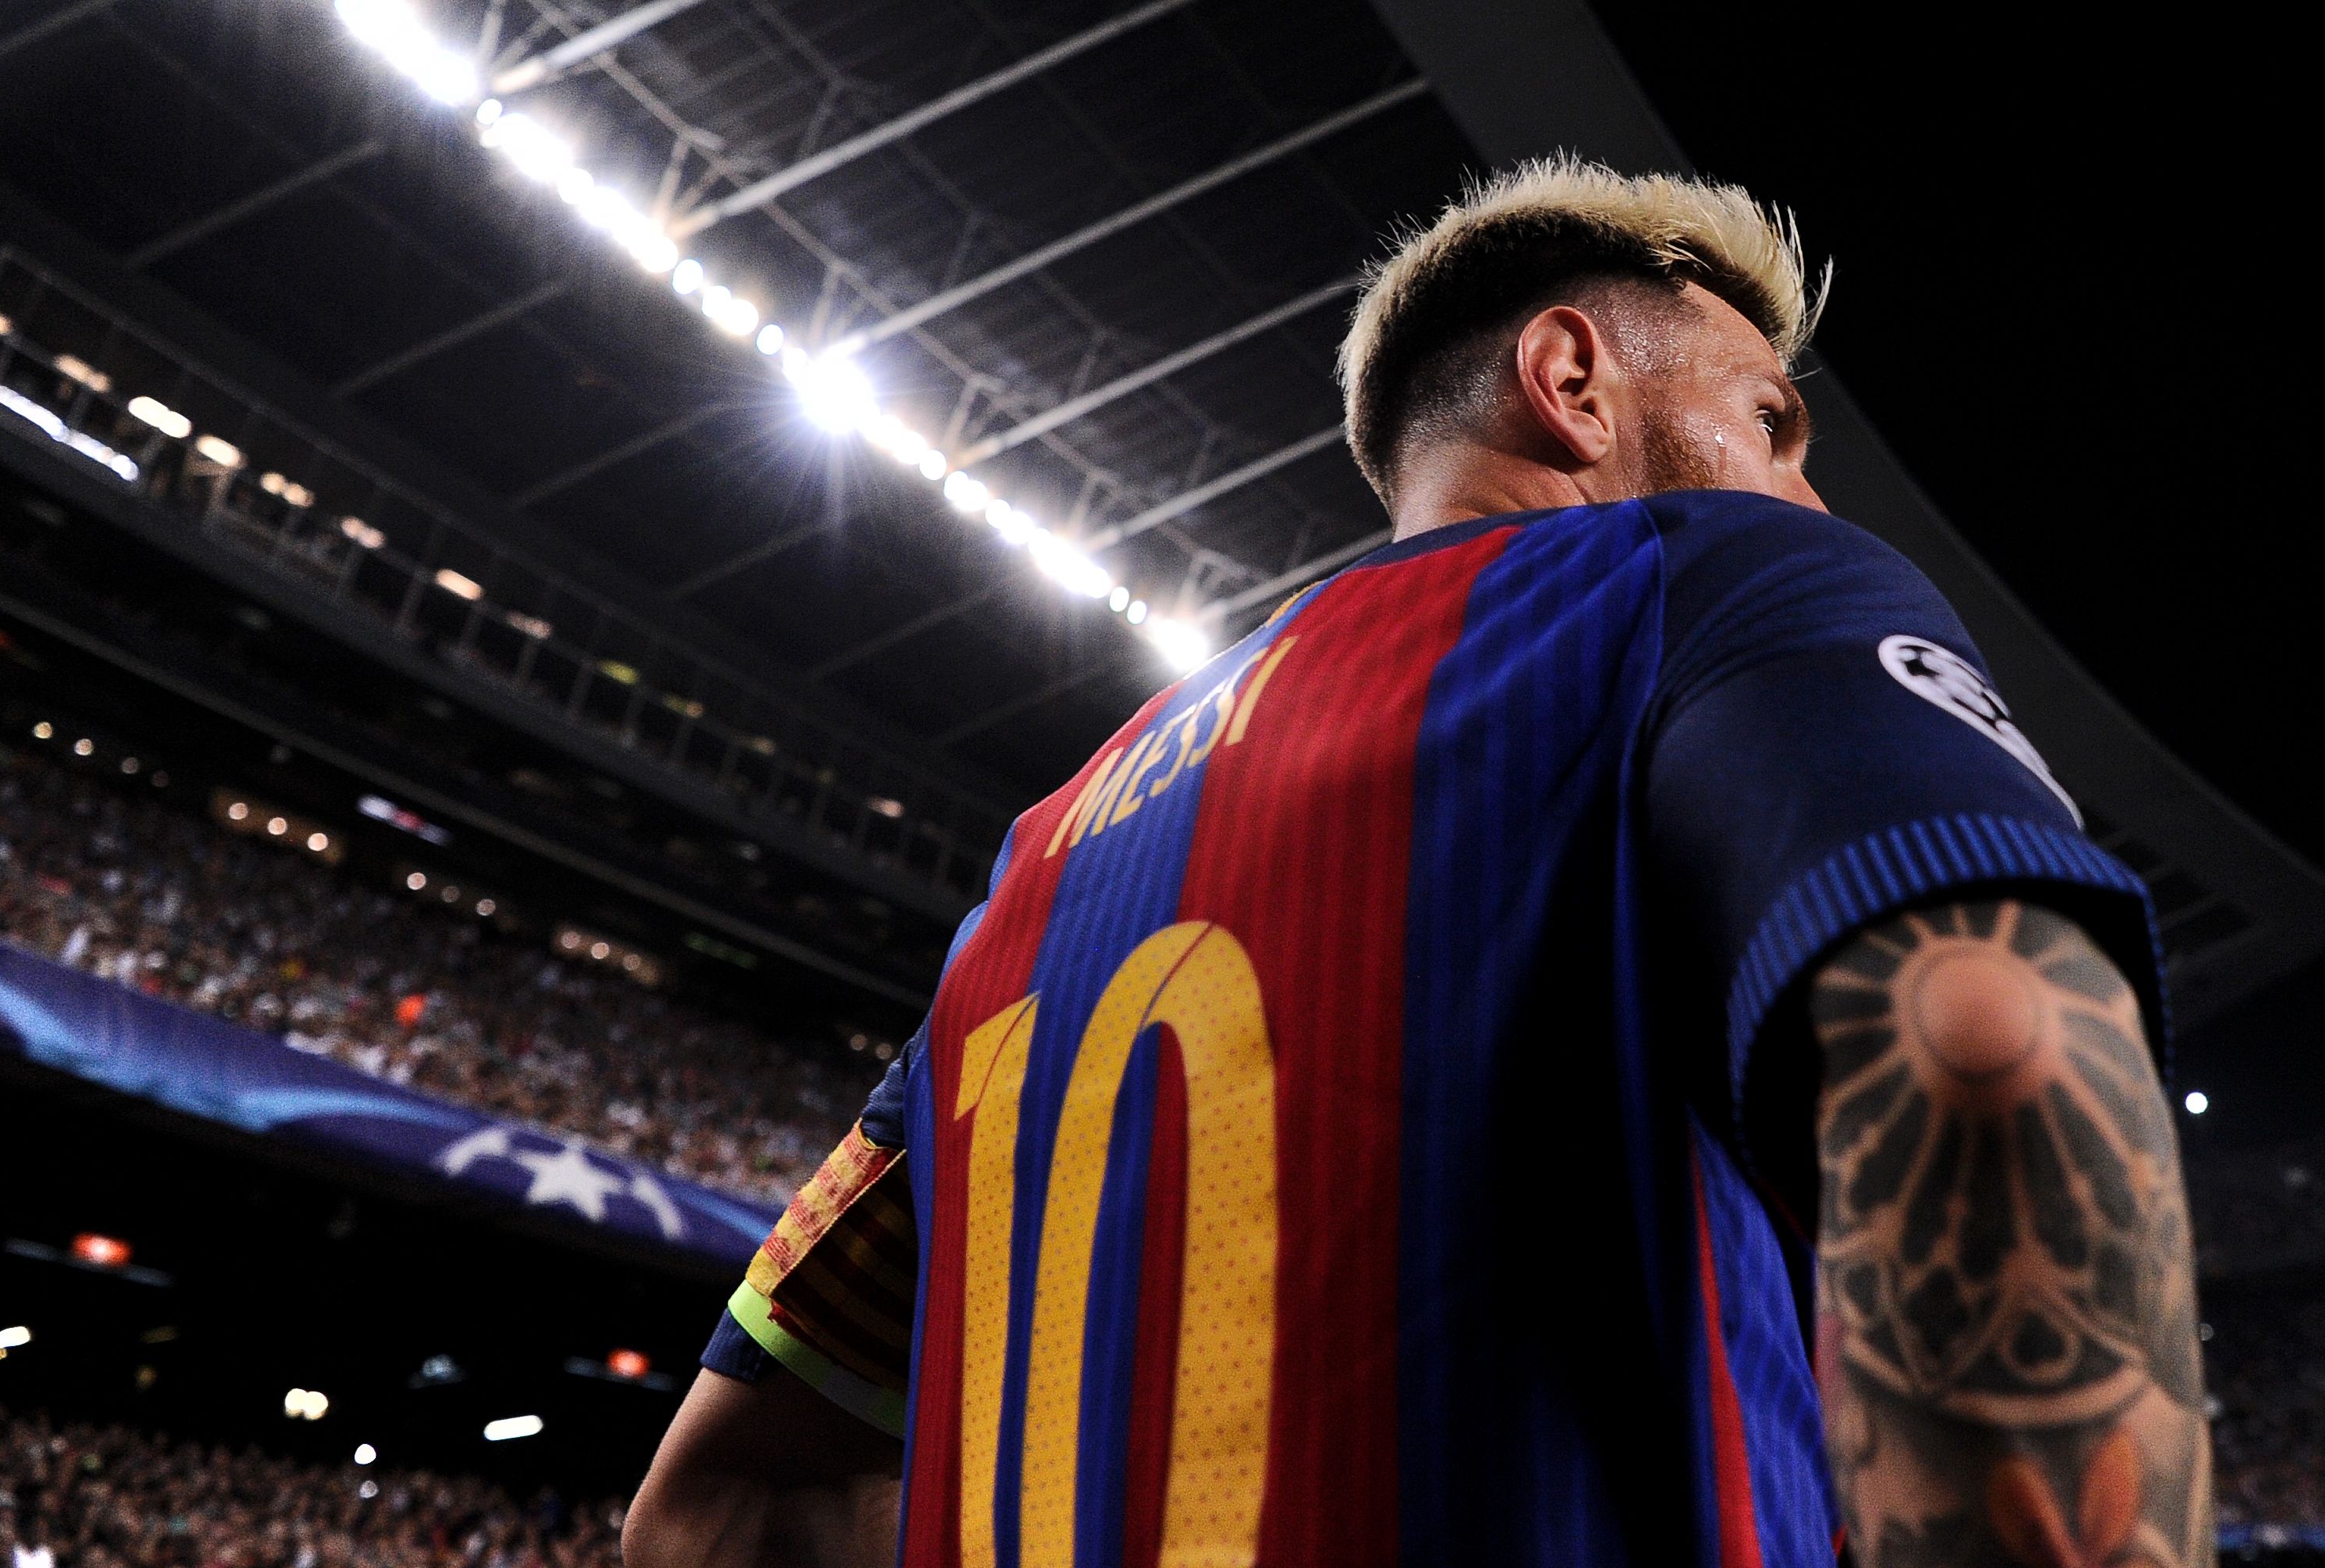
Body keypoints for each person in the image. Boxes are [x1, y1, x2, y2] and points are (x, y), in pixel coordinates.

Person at [625, 156, 2210, 1567]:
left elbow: (716, 1508)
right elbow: (1988, 1035)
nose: (1805, 487)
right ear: (1573, 376)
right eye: (1771, 420)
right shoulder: (1705, 577)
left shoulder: (1038, 861)